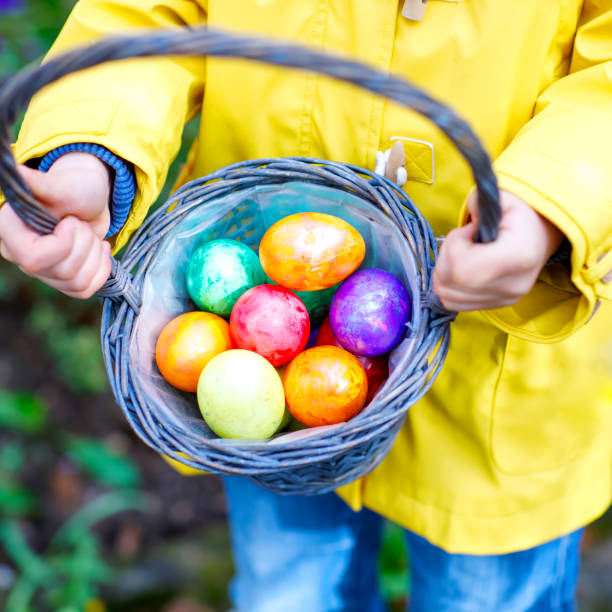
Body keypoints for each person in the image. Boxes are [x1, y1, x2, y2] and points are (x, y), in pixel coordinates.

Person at [1, 1, 611, 610]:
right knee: (285, 592)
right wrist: (88, 151)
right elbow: (141, 13)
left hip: (499, 368)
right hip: (273, 416)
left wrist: (553, 204)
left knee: (485, 598)